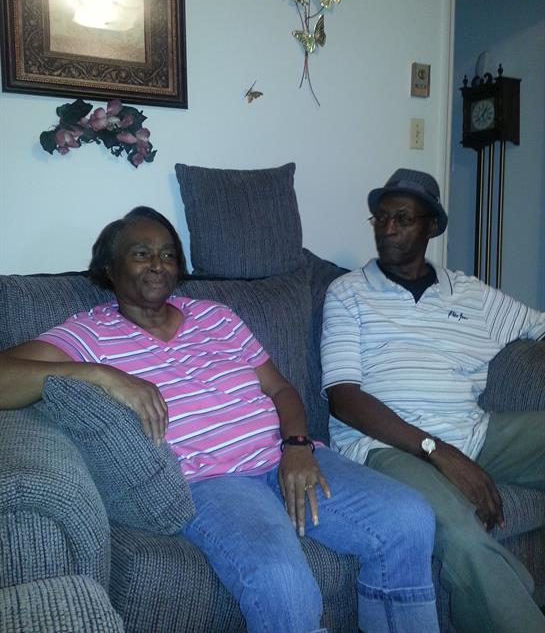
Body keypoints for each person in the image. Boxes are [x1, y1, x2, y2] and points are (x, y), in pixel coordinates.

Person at [0, 205, 440, 633]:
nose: (157, 264)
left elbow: (281, 390)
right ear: (109, 268)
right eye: (141, 253)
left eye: (168, 254)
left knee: (409, 519)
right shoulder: (88, 333)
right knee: (282, 580)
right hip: (211, 484)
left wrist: (297, 446)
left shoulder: (216, 315)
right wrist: (98, 374)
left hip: (283, 456)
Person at [320, 167, 545, 633]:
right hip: (387, 450)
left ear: (432, 227)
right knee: (462, 535)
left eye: (402, 218)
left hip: (474, 432)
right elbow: (343, 399)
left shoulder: (471, 294)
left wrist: (455, 450)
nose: (388, 228)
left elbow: (538, 326)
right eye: (381, 218)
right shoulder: (348, 293)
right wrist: (437, 451)